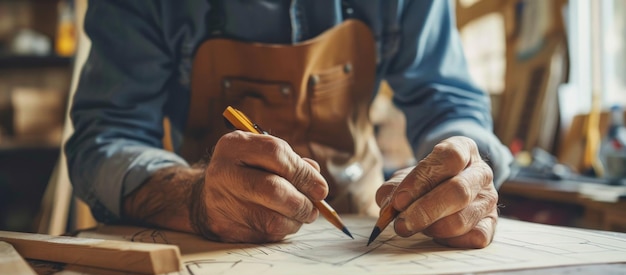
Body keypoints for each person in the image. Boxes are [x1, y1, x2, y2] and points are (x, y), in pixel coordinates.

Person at [65, 0, 513, 248]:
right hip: (214, 237)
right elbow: (105, 135)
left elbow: (447, 99)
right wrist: (194, 198)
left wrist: (461, 163)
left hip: (367, 221)